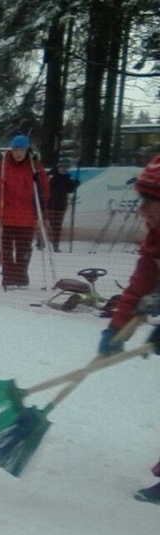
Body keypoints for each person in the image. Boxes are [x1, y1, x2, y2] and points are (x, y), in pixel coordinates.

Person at [95, 155, 160, 504]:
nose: (142, 211)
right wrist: (117, 328)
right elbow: (140, 286)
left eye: (149, 204)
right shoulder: (156, 236)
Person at [0, 135, 49, 289]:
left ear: (27, 150)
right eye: (15, 150)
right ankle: (8, 277)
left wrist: (39, 185)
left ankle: (21, 277)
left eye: (21, 150)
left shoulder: (35, 166)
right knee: (6, 249)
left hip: (27, 215)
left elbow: (45, 189)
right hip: (6, 214)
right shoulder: (2, 165)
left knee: (24, 249)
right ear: (11, 150)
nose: (18, 153)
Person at [45, 158, 79, 252]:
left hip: (61, 205)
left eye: (66, 167)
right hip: (50, 204)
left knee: (57, 225)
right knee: (50, 224)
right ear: (58, 167)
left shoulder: (67, 177)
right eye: (62, 167)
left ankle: (56, 244)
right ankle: (42, 241)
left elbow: (69, 189)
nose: (64, 169)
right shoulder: (51, 176)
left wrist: (75, 184)